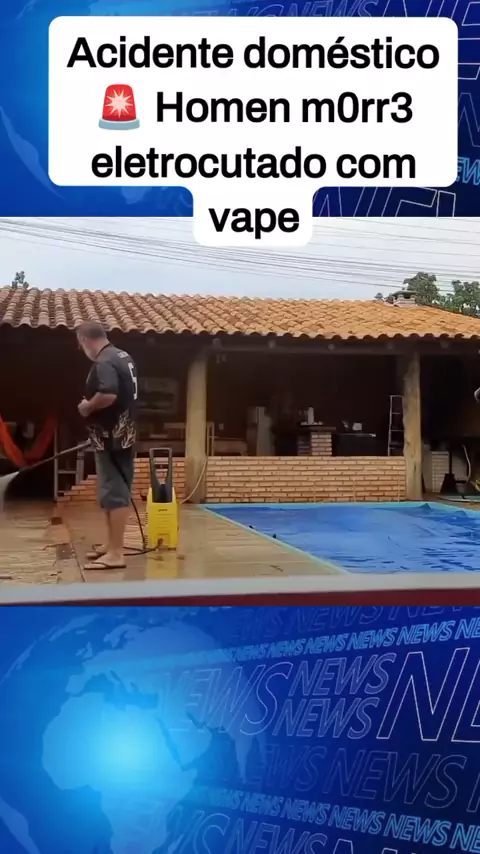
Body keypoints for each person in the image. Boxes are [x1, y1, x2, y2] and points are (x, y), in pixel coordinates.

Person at [76, 321, 138, 571]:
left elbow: (109, 394)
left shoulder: (104, 361)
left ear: (85, 340)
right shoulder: (122, 356)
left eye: (80, 344)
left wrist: (87, 406)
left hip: (112, 437)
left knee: (114, 493)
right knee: (111, 491)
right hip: (122, 434)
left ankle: (115, 553)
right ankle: (111, 545)